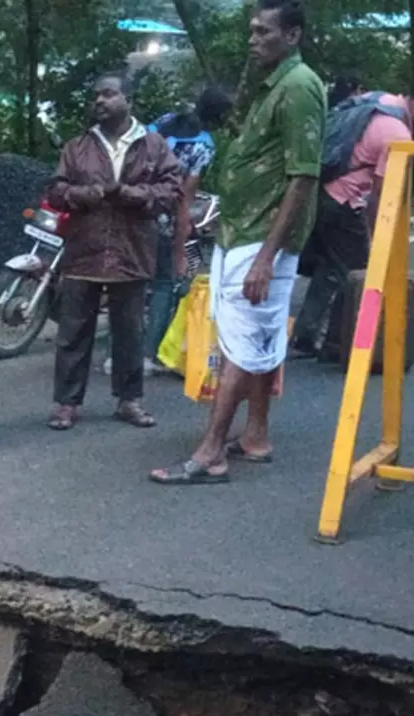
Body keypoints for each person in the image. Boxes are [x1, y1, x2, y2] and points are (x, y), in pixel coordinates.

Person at [151, 0, 325, 485]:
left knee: (244, 340)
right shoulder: (270, 84)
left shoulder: (299, 87)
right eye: (251, 30)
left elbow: (303, 175)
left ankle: (210, 453)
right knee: (254, 336)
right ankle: (255, 434)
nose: (253, 39)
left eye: (263, 31)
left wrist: (266, 257)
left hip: (260, 236)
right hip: (241, 228)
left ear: (291, 36)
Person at [44, 73, 182, 431]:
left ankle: (129, 400)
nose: (100, 101)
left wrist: (128, 194)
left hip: (131, 250)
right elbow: (56, 190)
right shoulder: (77, 147)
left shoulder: (153, 146)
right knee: (73, 330)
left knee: (129, 330)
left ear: (128, 99)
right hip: (83, 249)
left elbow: (171, 192)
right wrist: (80, 195)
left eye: (109, 94)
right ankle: (66, 404)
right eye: (97, 96)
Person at [290, 82, 414, 360]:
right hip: (345, 201)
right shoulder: (398, 133)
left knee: (332, 267)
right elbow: (380, 193)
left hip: (323, 189)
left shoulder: (377, 99)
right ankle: (337, 345)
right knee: (359, 270)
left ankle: (306, 334)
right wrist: (378, 236)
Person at [143, 85, 234, 375]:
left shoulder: (166, 120)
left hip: (128, 206)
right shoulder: (203, 146)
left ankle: (114, 355)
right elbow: (184, 198)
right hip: (160, 216)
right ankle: (146, 355)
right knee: (163, 284)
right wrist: (181, 247)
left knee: (127, 282)